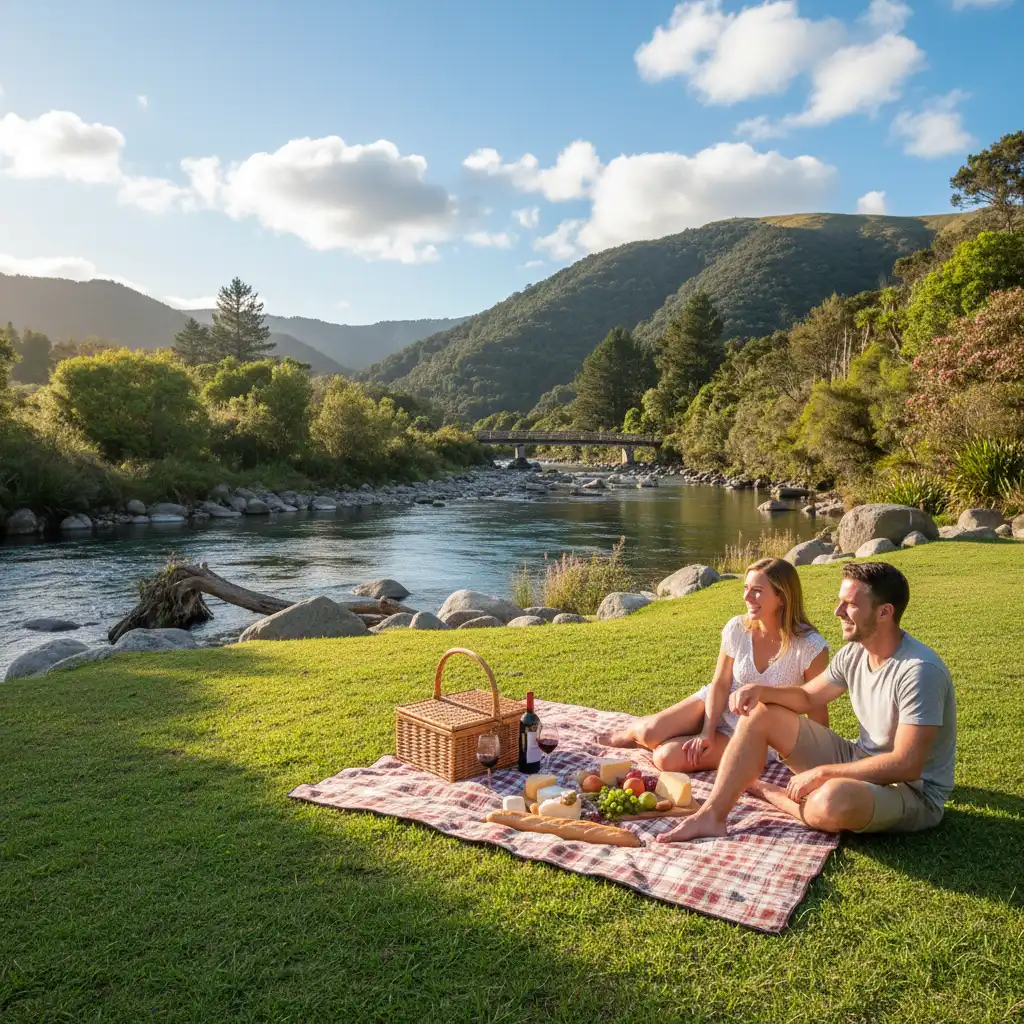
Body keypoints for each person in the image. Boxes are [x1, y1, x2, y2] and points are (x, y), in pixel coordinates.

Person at [657, 561, 956, 843]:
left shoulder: (919, 672)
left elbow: (906, 765)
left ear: (884, 612)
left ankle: (769, 792)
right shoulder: (854, 653)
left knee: (831, 800)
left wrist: (824, 773)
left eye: (850, 604)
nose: (838, 611)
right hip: (860, 757)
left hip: (911, 792)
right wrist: (762, 691)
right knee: (763, 714)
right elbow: (808, 697)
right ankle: (711, 816)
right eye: (840, 601)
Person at [597, 558, 830, 772]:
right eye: (746, 589)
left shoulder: (810, 646)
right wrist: (706, 731)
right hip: (715, 705)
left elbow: (816, 707)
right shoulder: (738, 628)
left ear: (782, 598)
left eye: (757, 591)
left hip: (757, 733)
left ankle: (669, 737)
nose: (747, 598)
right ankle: (633, 732)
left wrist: (820, 764)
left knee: (665, 758)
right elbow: (721, 682)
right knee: (649, 733)